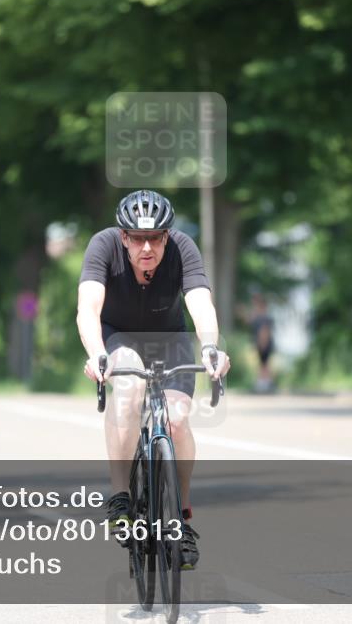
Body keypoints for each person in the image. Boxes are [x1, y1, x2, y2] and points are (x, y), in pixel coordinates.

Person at [77, 190, 231, 571]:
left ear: (167, 236)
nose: (148, 247)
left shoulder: (182, 249)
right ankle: (120, 496)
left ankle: (180, 514)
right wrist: (97, 353)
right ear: (123, 236)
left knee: (178, 419)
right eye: (138, 238)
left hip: (169, 339)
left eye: (157, 238)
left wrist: (211, 348)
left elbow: (200, 303)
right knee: (128, 389)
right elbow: (87, 309)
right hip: (119, 337)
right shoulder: (103, 246)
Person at [249, 293, 275, 393]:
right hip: (264, 344)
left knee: (264, 364)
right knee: (263, 363)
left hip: (264, 344)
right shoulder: (262, 316)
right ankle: (265, 382)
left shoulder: (263, 318)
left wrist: (262, 344)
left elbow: (264, 332)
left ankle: (264, 383)